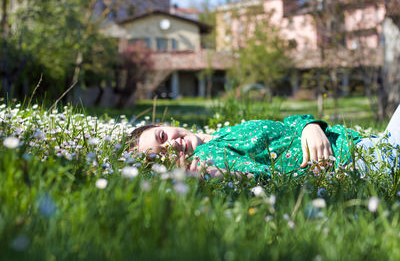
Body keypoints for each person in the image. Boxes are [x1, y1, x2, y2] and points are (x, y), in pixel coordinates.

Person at [131, 106, 400, 178]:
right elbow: (262, 175)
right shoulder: (210, 158)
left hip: (370, 141)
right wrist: (226, 176)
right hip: (362, 159)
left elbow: (285, 126)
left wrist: (309, 126)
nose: (170, 145)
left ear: (162, 124)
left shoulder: (222, 134)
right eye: (162, 154)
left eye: (162, 137)